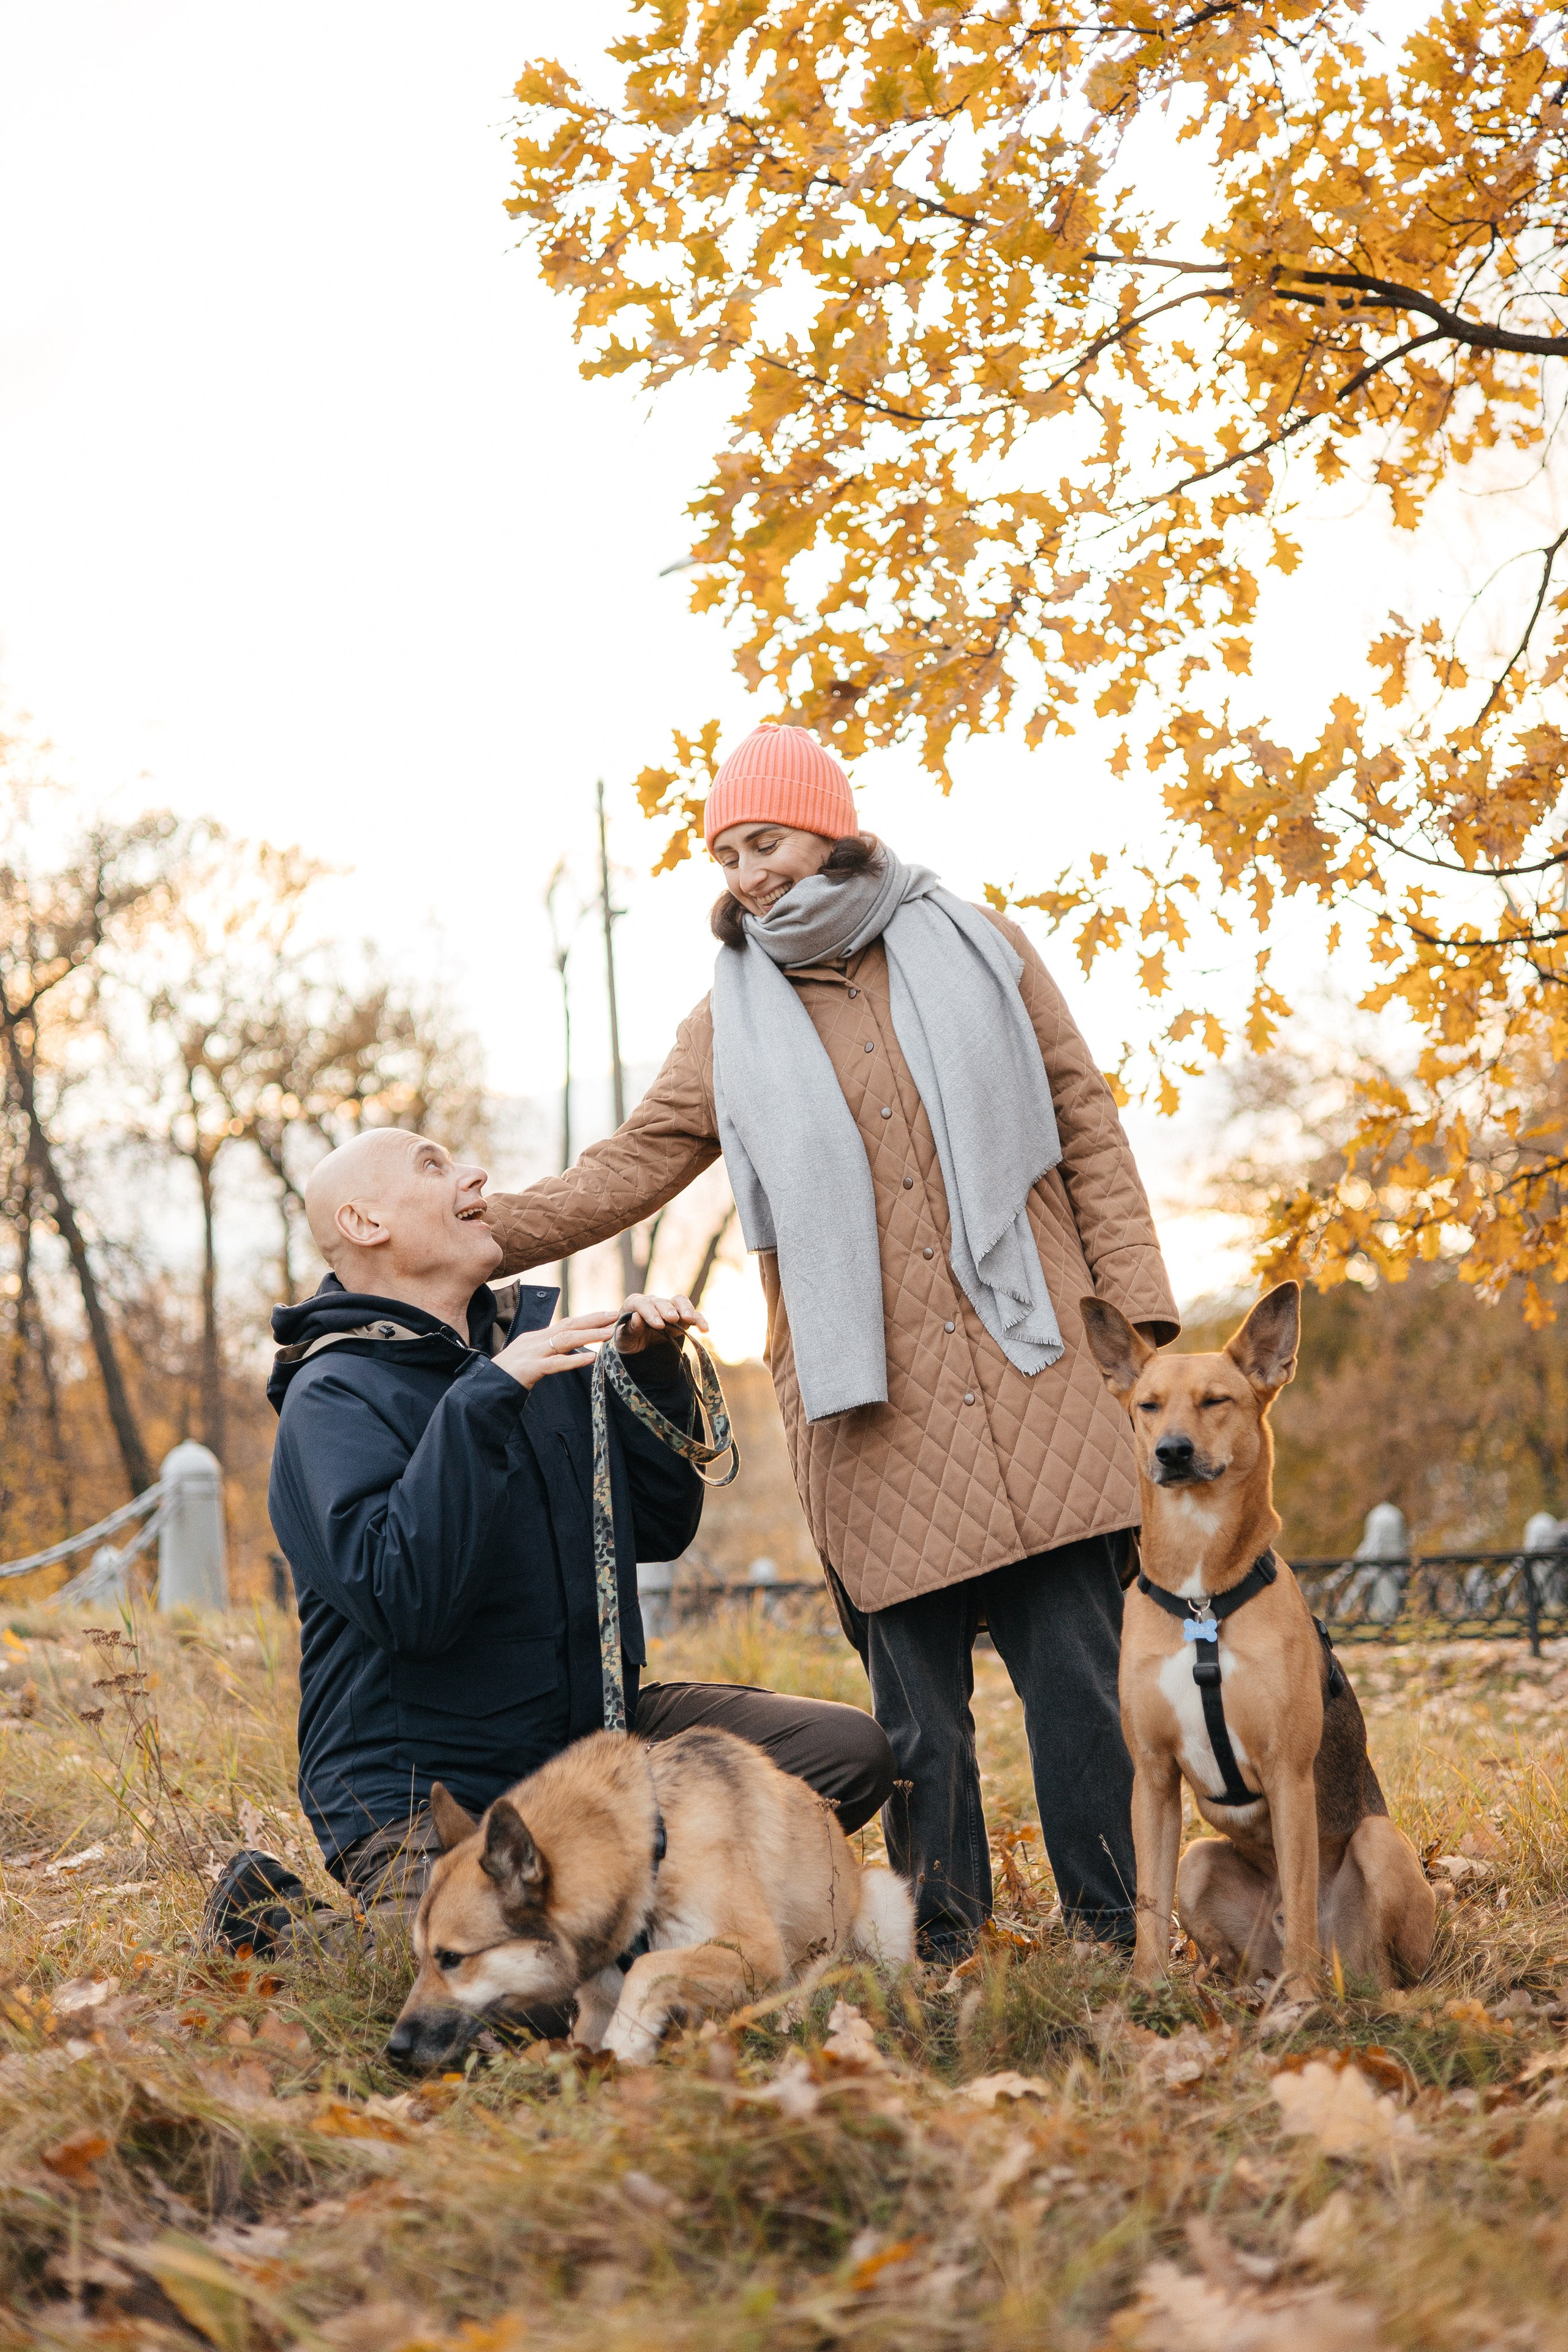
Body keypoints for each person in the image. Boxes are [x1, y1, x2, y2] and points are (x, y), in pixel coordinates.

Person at [481, 723, 1180, 1961]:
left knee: (1079, 1685)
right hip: (873, 1406)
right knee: (918, 1725)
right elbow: (632, 1164)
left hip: (1038, 1371)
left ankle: (1119, 1938)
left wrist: (1143, 1330)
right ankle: (946, 1949)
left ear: (828, 829)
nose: (746, 873)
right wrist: (475, 1236)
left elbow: (1085, 1123)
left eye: (766, 842)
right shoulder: (728, 1022)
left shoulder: (981, 944)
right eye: (726, 854)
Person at [204, 1125, 894, 1958]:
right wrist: (485, 1399)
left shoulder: (537, 1354)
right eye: (433, 1165)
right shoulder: (333, 1396)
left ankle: (630, 1919)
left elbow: (658, 1531)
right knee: (510, 1981)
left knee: (844, 1755)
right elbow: (406, 1600)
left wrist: (652, 1376)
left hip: (584, 1757)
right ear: (364, 1222)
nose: (475, 1174)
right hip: (422, 1790)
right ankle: (270, 1923)